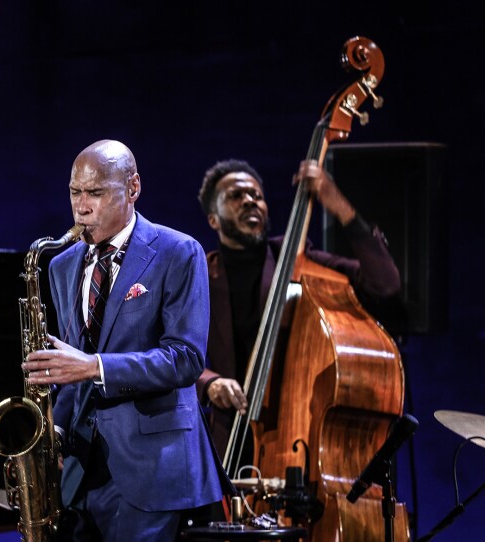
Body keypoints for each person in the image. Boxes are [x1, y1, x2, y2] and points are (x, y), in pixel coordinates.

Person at [23, 140, 233, 541]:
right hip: (81, 475)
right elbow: (72, 361)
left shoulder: (179, 252)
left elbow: (185, 358)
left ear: (133, 188)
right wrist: (56, 434)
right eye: (74, 193)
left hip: (153, 472)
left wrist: (95, 366)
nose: (82, 206)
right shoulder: (62, 265)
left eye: (96, 193)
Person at [195, 158, 401, 463]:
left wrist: (340, 207)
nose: (250, 201)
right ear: (213, 219)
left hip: (298, 441)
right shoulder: (199, 275)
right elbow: (170, 353)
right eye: (237, 196)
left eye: (257, 195)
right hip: (231, 443)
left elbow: (384, 284)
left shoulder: (296, 260)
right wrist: (210, 382)